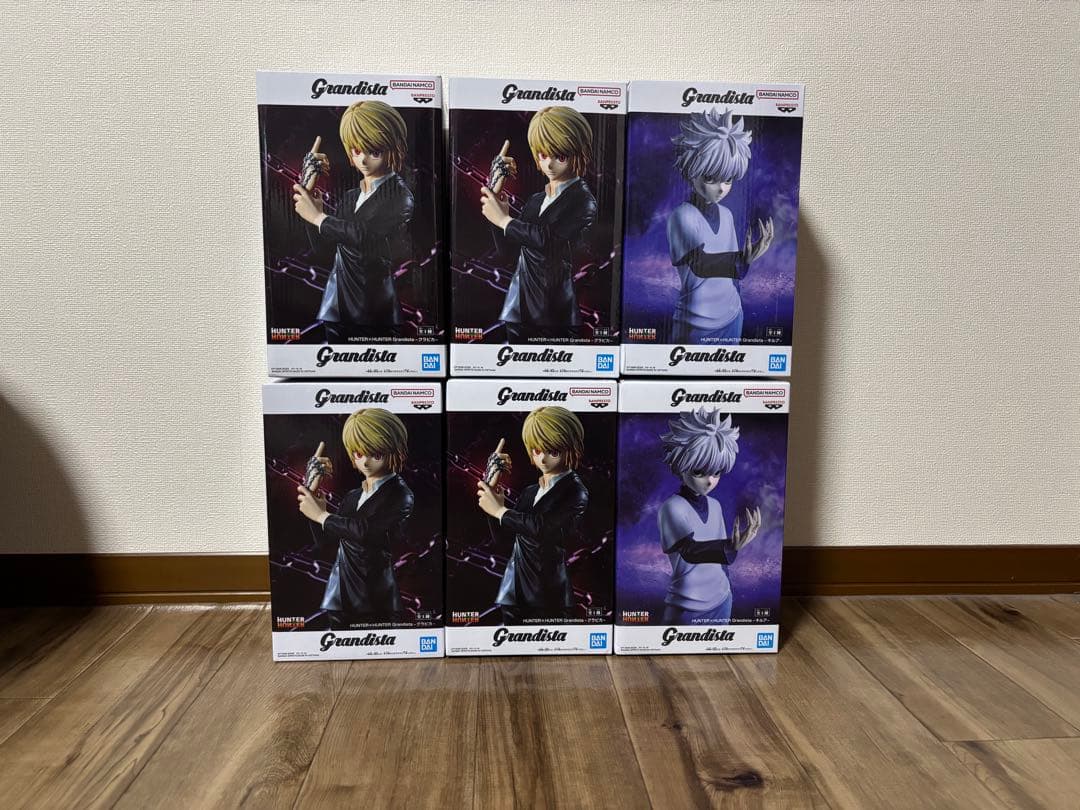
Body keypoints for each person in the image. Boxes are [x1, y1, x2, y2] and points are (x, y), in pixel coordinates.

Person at [291, 100, 414, 342]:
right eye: (357, 151)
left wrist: (318, 217)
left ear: (394, 147)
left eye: (374, 152)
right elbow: (326, 248)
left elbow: (363, 235)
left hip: (373, 310)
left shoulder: (401, 196)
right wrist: (312, 212)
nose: (364, 160)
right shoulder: (350, 197)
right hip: (335, 305)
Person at [479, 106, 597, 343]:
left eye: (560, 156)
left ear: (578, 152)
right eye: (543, 155)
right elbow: (509, 251)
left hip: (554, 314)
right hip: (517, 308)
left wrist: (504, 220)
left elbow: (547, 239)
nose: (550, 164)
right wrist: (497, 200)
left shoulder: (583, 200)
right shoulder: (535, 201)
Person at [296, 408, 414, 628]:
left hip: (374, 598)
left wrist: (322, 515)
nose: (366, 462)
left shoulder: (400, 494)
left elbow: (364, 531)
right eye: (359, 454)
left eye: (376, 454)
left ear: (394, 450)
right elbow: (327, 543)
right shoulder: (352, 496)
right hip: (338, 596)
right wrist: (314, 504)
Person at [667, 108, 774, 344]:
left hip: (732, 317)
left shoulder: (726, 215)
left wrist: (747, 259)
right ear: (690, 172)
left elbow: (737, 274)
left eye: (728, 179)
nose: (721, 188)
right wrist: (743, 257)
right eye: (710, 178)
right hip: (695, 323)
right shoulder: (682, 216)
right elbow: (701, 264)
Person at [476, 406, 589, 624]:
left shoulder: (575, 491)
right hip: (512, 592)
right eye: (537, 451)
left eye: (552, 451)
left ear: (570, 447)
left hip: (547, 597)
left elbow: (542, 528)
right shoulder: (530, 492)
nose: (543, 458)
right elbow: (505, 539)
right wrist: (493, 497)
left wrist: (500, 510)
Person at [657, 407, 762, 625]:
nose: (710, 480)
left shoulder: (715, 506)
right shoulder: (672, 507)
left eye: (716, 472)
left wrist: (728, 582)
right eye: (699, 471)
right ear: (680, 466)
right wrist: (730, 545)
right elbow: (690, 551)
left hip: (722, 599)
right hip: (686, 605)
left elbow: (721, 564)